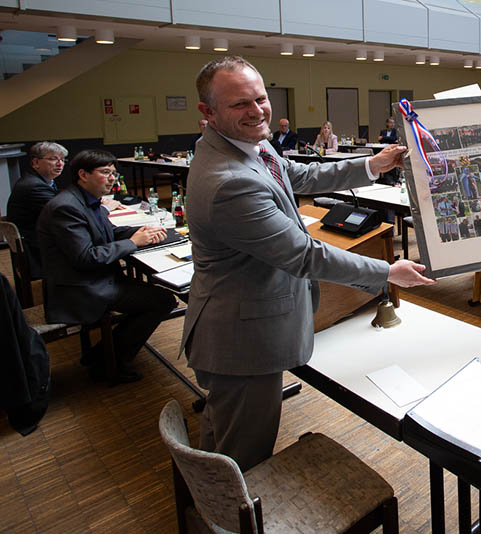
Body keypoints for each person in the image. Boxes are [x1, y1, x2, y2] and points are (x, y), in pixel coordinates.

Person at [179, 56, 433, 471]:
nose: (257, 110)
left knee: (223, 436)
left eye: (260, 98)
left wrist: (373, 164)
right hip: (243, 340)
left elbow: (300, 175)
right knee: (242, 456)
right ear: (207, 113)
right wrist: (387, 272)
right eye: (240, 104)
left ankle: (213, 509)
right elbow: (304, 255)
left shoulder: (248, 146)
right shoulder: (229, 181)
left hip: (245, 319)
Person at [36, 149, 177, 382]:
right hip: (79, 288)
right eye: (105, 173)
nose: (113, 178)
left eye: (114, 173)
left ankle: (101, 354)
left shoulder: (86, 200)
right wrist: (133, 243)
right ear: (83, 174)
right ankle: (107, 365)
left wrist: (142, 233)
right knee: (162, 301)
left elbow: (108, 234)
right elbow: (86, 257)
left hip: (92, 279)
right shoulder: (66, 207)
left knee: (154, 296)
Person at [6, 142, 68, 279]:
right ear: (35, 162)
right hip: (37, 249)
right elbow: (64, 212)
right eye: (53, 159)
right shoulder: (34, 186)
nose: (60, 164)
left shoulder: (40, 181)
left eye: (62, 159)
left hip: (34, 241)